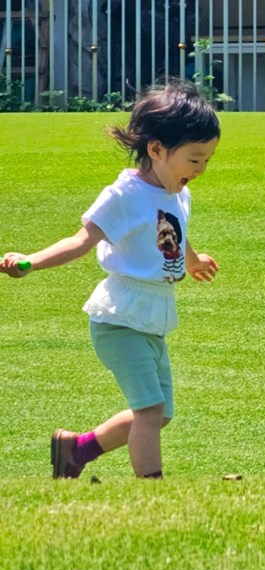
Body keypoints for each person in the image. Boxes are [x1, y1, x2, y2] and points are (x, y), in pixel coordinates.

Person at [0, 80, 220, 480]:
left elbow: (176, 231)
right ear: (156, 149)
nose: (201, 169)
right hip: (121, 318)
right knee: (149, 412)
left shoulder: (178, 193)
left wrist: (192, 260)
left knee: (160, 413)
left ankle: (75, 449)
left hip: (153, 317)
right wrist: (30, 262)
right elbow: (81, 241)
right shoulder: (123, 195)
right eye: (194, 159)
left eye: (206, 160)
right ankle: (152, 492)